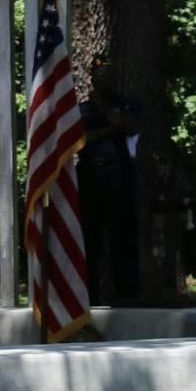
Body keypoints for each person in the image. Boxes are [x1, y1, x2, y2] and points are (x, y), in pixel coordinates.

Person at [78, 56, 141, 305]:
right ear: (92, 79)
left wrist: (105, 109)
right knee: (89, 238)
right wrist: (110, 130)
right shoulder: (81, 109)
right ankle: (89, 298)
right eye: (99, 75)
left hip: (118, 175)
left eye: (108, 74)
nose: (103, 79)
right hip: (88, 175)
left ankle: (126, 297)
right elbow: (76, 141)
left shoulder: (128, 104)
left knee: (121, 237)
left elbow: (130, 126)